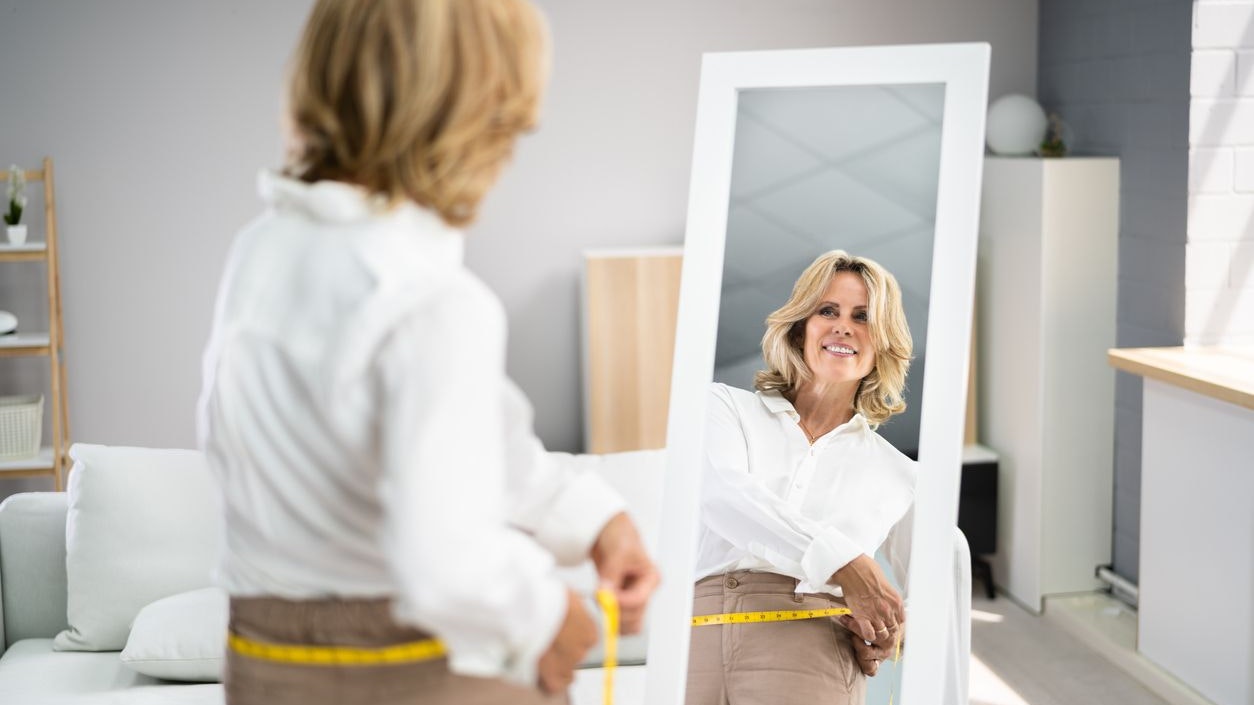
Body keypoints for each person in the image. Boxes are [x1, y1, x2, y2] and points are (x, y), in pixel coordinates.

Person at [196, 2, 658, 704]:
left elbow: (467, 435)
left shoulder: (262, 251)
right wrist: (549, 614)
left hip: (259, 664)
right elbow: (447, 564)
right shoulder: (434, 302)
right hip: (390, 666)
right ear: (477, 121)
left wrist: (597, 519)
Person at [686, 250, 916, 705]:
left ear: (884, 342)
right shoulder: (725, 408)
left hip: (814, 646)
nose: (843, 327)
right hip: (695, 635)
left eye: (863, 317)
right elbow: (721, 497)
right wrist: (845, 561)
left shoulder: (900, 473)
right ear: (800, 328)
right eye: (828, 311)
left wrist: (898, 633)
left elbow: (928, 590)